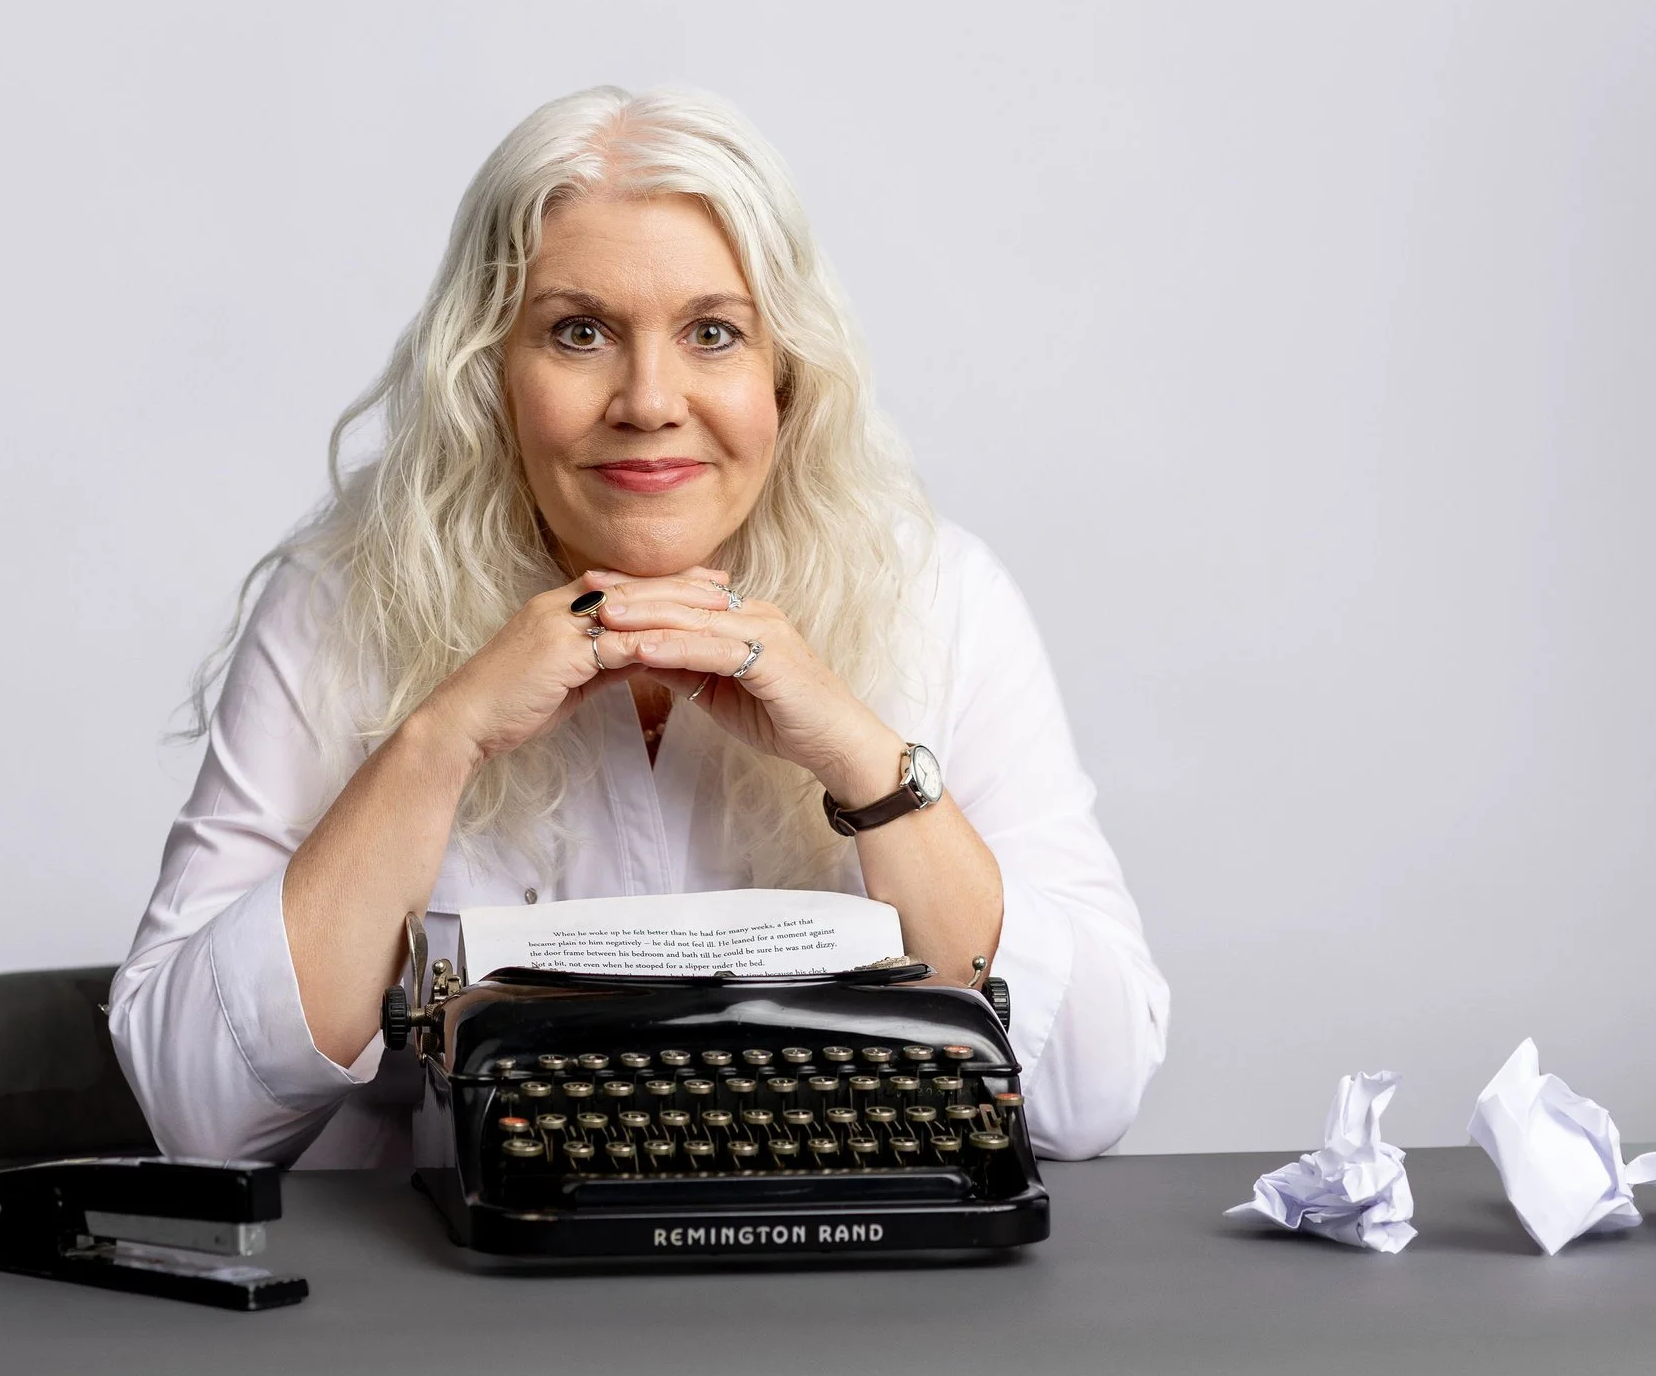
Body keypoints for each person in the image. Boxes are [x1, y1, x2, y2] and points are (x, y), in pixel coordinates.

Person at [110, 87, 1168, 1167]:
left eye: (714, 333)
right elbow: (200, 1117)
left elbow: (1089, 1092)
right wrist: (442, 739)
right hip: (438, 1264)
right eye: (580, 332)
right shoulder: (337, 605)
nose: (650, 400)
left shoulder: (942, 596)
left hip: (850, 1253)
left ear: (785, 373)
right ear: (490, 370)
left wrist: (860, 755)